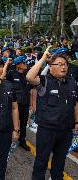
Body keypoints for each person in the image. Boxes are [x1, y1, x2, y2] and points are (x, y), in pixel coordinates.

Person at [26, 46, 78, 180]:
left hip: (66, 130)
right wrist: (43, 58)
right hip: (47, 130)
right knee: (41, 161)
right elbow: (30, 77)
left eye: (65, 64)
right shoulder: (45, 81)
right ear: (50, 67)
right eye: (59, 64)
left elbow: (75, 104)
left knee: (60, 162)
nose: (63, 67)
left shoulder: (71, 82)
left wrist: (76, 121)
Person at [6, 56, 32, 151]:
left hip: (25, 103)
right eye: (24, 63)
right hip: (15, 104)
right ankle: (8, 140)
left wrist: (31, 105)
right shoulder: (11, 74)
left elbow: (31, 90)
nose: (26, 65)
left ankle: (22, 141)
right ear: (18, 65)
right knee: (12, 122)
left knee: (24, 123)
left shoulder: (28, 75)